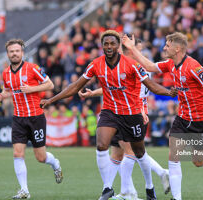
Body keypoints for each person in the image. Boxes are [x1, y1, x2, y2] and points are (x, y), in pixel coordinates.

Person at [40, 30, 177, 200]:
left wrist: (169, 93)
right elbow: (76, 86)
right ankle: (108, 188)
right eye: (106, 44)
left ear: (118, 46)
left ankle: (149, 189)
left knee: (139, 152)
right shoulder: (96, 64)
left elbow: (152, 85)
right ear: (102, 46)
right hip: (110, 112)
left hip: (132, 113)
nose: (109, 46)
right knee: (102, 144)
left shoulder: (132, 65)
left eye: (112, 43)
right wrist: (52, 99)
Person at [122, 32, 203, 200]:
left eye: (167, 45)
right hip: (182, 118)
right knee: (173, 155)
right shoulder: (170, 64)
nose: (164, 48)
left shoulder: (194, 66)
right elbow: (149, 66)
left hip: (202, 120)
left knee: (197, 162)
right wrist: (132, 48)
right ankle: (177, 198)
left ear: (177, 48)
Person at [79, 36, 170, 200]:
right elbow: (115, 87)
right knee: (118, 153)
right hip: (117, 112)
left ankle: (132, 190)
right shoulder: (121, 64)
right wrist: (94, 92)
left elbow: (139, 93)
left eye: (139, 50)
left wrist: (142, 111)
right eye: (134, 49)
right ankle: (128, 189)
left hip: (133, 112)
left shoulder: (135, 66)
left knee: (131, 152)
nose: (137, 53)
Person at [0, 39, 63, 199]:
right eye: (11, 51)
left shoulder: (33, 69)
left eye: (17, 51)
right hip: (18, 119)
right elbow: (8, 91)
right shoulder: (6, 73)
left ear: (22, 53)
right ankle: (24, 190)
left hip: (36, 118)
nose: (14, 53)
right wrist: (1, 96)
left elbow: (50, 85)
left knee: (41, 157)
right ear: (8, 54)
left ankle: (55, 163)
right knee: (18, 153)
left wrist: (32, 88)